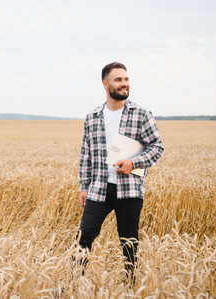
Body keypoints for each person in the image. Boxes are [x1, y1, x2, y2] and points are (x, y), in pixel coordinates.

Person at [76, 61, 164, 283]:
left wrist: (133, 163)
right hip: (99, 188)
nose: (124, 84)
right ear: (106, 84)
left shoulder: (141, 114)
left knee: (129, 241)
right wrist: (84, 187)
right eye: (119, 80)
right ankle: (73, 283)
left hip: (130, 189)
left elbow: (157, 147)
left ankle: (131, 285)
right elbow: (85, 154)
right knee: (84, 236)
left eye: (126, 79)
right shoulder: (93, 117)